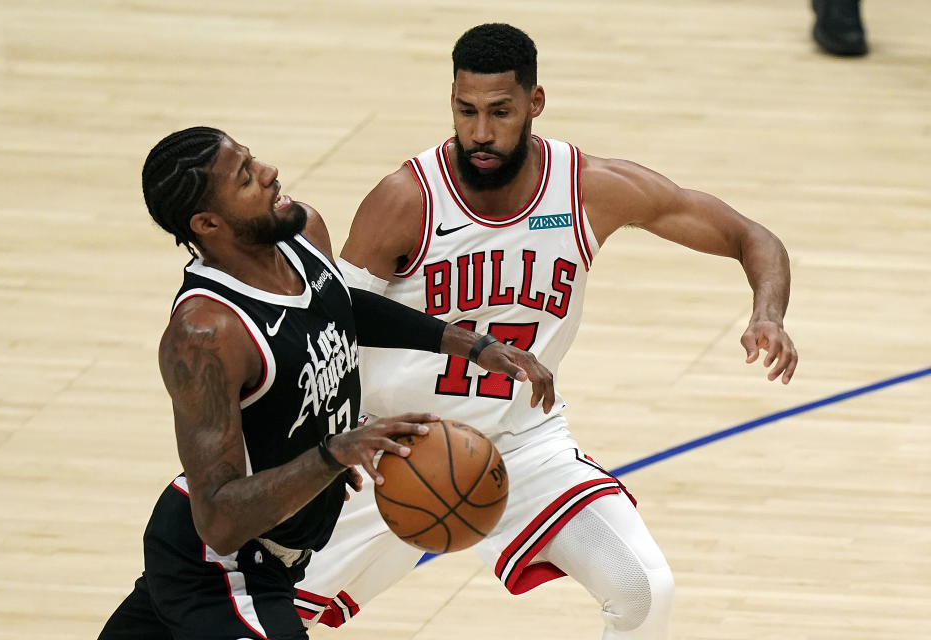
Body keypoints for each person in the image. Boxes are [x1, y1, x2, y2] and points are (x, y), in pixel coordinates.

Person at [293, 23, 799, 639]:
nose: (480, 133)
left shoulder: (588, 189)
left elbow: (753, 237)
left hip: (522, 440)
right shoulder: (408, 199)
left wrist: (766, 314)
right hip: (394, 447)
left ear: (535, 102)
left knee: (643, 591)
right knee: (253, 612)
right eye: (466, 110)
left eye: (500, 112)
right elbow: (330, 329)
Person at [96, 126, 554, 640]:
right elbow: (219, 520)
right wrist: (331, 455)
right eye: (245, 178)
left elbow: (338, 303)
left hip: (279, 557)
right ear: (208, 222)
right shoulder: (205, 333)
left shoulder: (301, 232)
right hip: (220, 567)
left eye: (254, 161)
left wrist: (473, 345)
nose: (269, 174)